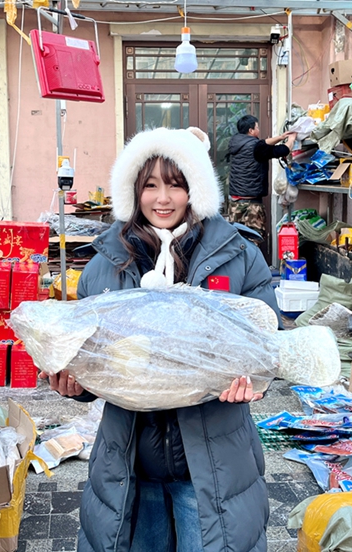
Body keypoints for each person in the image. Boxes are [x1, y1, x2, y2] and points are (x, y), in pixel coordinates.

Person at [42, 126, 279, 552]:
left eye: (176, 184)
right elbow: (95, 361)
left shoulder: (239, 255)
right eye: (149, 185)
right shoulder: (104, 265)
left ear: (197, 189)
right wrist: (74, 386)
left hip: (212, 470)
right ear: (133, 191)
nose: (162, 198)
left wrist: (254, 381)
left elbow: (266, 341)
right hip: (131, 466)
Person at [227, 114, 295, 248]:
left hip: (234, 203)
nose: (259, 130)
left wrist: (280, 137)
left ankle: (237, 268)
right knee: (253, 241)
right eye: (257, 127)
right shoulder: (256, 148)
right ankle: (250, 268)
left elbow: (262, 144)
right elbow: (283, 150)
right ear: (251, 131)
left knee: (234, 241)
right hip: (251, 205)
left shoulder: (235, 143)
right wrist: (291, 139)